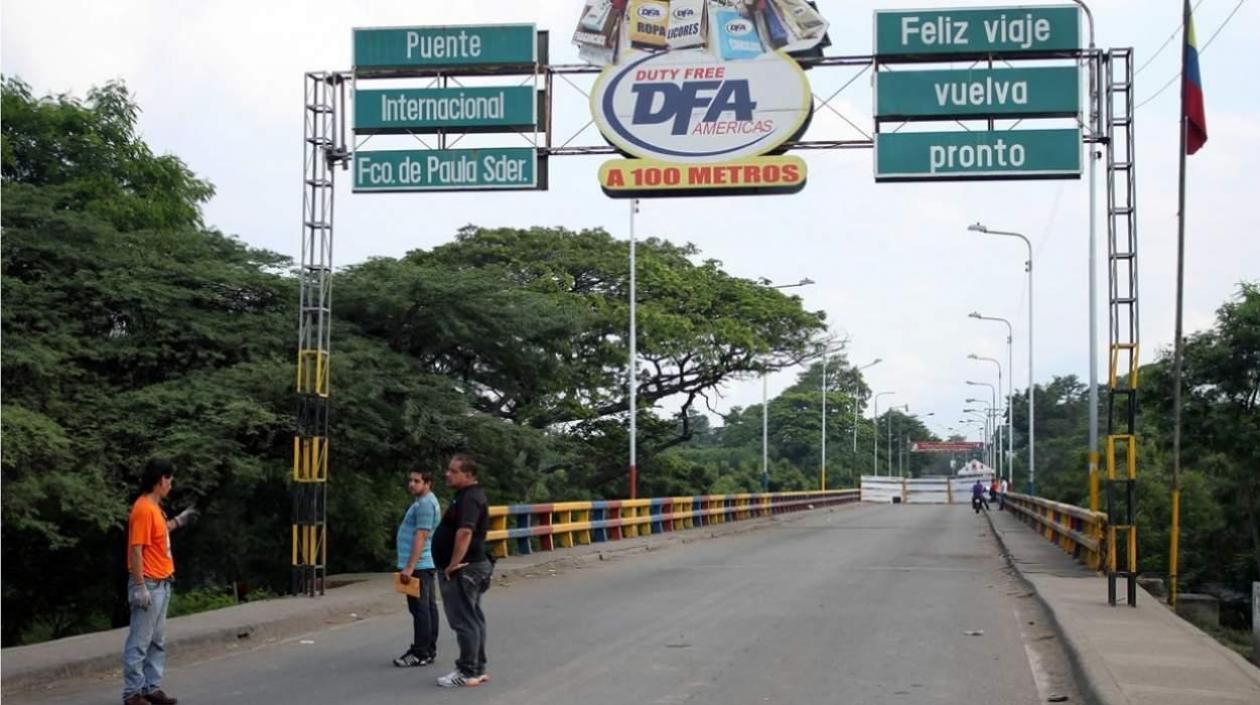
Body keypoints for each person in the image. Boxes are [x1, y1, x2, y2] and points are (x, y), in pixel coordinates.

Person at [122, 458, 198, 705]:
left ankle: (150, 687)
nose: (171, 483)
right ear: (159, 480)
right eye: (169, 478)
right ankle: (133, 693)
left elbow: (159, 533)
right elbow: (136, 550)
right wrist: (140, 585)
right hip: (150, 584)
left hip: (162, 583)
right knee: (140, 641)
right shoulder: (143, 508)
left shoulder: (155, 508)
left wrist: (179, 521)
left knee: (156, 640)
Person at [432, 453, 493, 688]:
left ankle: (467, 671)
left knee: (464, 621)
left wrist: (453, 563)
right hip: (474, 565)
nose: (447, 474)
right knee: (474, 618)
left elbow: (465, 532)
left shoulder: (469, 498)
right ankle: (477, 668)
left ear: (468, 475)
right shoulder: (467, 496)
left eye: (453, 471)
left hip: (465, 568)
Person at [394, 469, 441, 668]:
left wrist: (409, 567)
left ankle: (420, 652)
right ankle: (428, 650)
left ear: (427, 483)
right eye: (410, 480)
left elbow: (421, 535)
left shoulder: (425, 505)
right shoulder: (425, 502)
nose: (412, 484)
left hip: (419, 565)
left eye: (417, 481)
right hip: (424, 563)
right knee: (428, 608)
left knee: (420, 609)